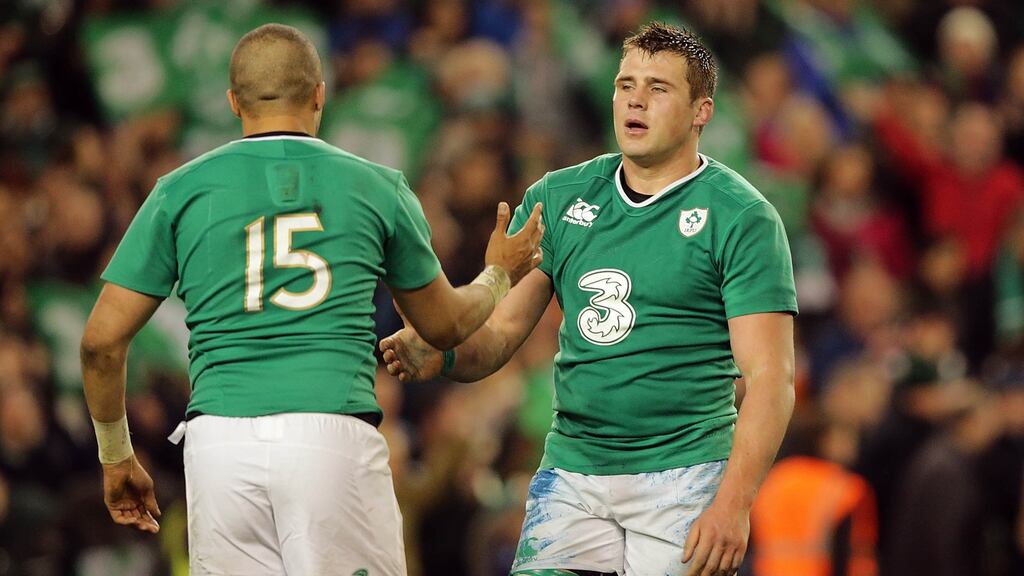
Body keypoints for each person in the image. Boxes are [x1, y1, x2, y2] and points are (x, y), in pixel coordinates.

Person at [80, 23, 544, 576]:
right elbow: (444, 326)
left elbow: (101, 343)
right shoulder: (376, 185)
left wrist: (116, 456)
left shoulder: (179, 190)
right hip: (331, 437)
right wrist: (497, 274)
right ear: (320, 94)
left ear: (233, 103)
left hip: (220, 448)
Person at [381, 21, 797, 576]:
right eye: (626, 85)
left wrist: (734, 503)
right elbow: (500, 335)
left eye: (658, 88)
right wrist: (446, 353)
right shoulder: (557, 196)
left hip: (683, 473)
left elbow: (771, 379)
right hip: (574, 470)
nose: (636, 100)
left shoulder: (741, 217)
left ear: (702, 111)